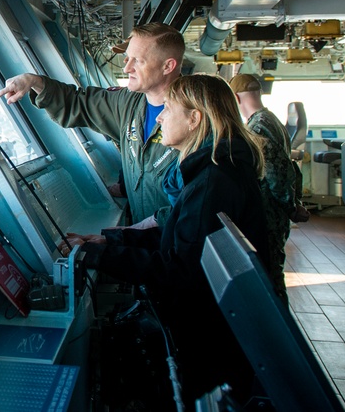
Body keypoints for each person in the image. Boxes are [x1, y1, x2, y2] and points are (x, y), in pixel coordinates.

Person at [66, 74, 272, 403]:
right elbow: (184, 238)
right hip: (219, 330)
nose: (159, 117)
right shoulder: (218, 169)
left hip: (208, 342)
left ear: (195, 119)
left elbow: (179, 269)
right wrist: (110, 242)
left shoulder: (213, 182)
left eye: (168, 109)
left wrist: (97, 256)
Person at [0, 22, 184, 228]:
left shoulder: (197, 115)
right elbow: (77, 102)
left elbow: (198, 199)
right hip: (141, 237)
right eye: (127, 58)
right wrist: (34, 81)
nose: (127, 67)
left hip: (180, 241)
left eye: (138, 61)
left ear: (168, 66)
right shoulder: (127, 103)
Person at [230, 73, 296, 304]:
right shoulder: (272, 119)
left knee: (270, 277)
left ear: (236, 99)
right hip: (276, 211)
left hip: (269, 212)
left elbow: (276, 175)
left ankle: (280, 333)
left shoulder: (257, 127)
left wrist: (291, 207)